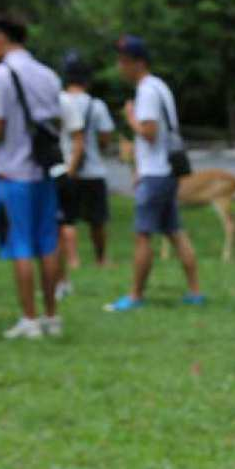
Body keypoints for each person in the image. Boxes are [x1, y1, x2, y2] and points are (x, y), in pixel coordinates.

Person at [0, 13, 64, 339]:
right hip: (43, 170)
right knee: (48, 244)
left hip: (12, 171)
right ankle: (51, 316)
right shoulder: (49, 75)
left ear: (0, 37)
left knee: (20, 245)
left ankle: (29, 319)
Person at [106, 36, 204, 312]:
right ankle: (195, 291)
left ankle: (135, 296)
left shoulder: (146, 91)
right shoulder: (161, 87)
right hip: (167, 171)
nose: (120, 67)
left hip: (155, 173)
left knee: (143, 235)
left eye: (124, 62)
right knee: (175, 231)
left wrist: (131, 119)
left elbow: (149, 133)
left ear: (139, 63)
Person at [55, 53, 116, 289]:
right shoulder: (96, 105)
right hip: (93, 170)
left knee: (66, 220)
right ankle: (101, 258)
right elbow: (105, 137)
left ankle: (72, 260)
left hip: (64, 168)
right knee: (97, 220)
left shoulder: (57, 101)